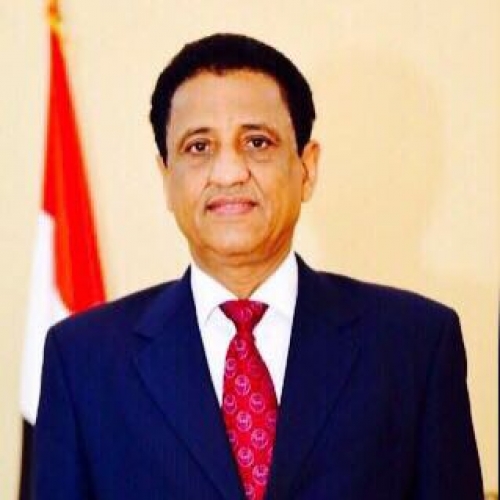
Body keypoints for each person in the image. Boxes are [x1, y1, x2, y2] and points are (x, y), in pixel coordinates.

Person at [34, 33, 483, 500]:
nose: (229, 173)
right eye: (198, 147)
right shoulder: (84, 361)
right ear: (166, 178)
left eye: (256, 142)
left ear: (307, 168)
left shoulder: (415, 345)